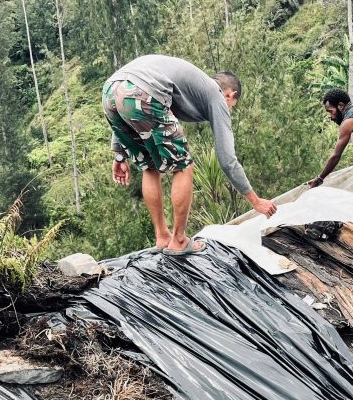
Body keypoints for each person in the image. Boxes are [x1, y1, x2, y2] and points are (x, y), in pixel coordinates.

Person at [102, 55, 277, 255]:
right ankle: (179, 240)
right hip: (144, 92)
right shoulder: (216, 95)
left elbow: (125, 95)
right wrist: (255, 201)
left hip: (110, 91)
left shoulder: (192, 86)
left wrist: (119, 155)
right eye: (232, 106)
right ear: (229, 94)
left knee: (149, 167)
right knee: (183, 166)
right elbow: (227, 160)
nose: (228, 110)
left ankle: (162, 237)